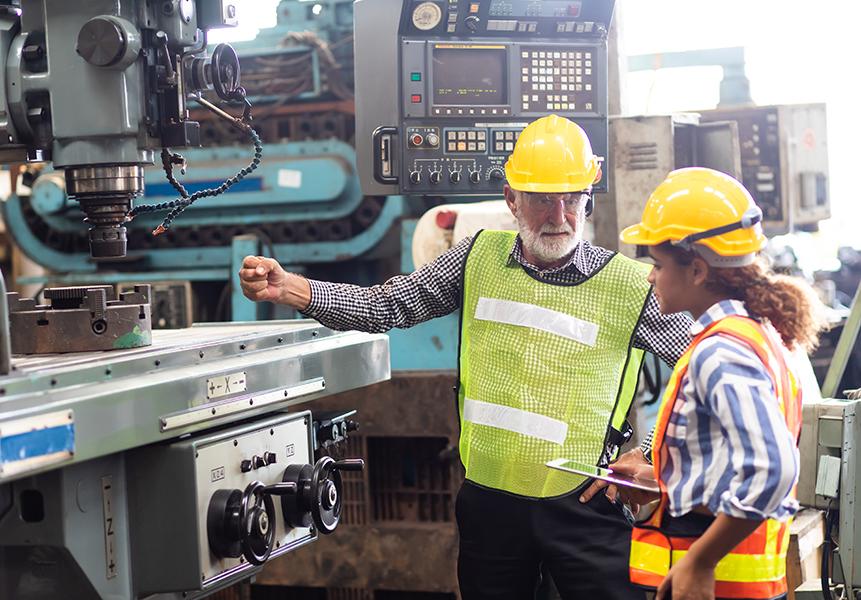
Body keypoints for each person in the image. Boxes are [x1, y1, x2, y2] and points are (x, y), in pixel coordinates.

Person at [239, 115, 693, 600]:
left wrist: (651, 453)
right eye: (542, 199)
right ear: (512, 199)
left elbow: (700, 368)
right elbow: (386, 305)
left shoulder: (630, 286)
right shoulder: (476, 258)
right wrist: (291, 288)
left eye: (572, 198)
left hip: (585, 506)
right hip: (490, 507)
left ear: (588, 198)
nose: (559, 215)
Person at [610, 167, 828, 600]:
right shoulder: (753, 333)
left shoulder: (721, 352)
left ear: (696, 270)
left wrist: (701, 560)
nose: (650, 277)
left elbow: (773, 468)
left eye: (657, 265)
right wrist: (665, 480)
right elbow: (731, 460)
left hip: (722, 589)